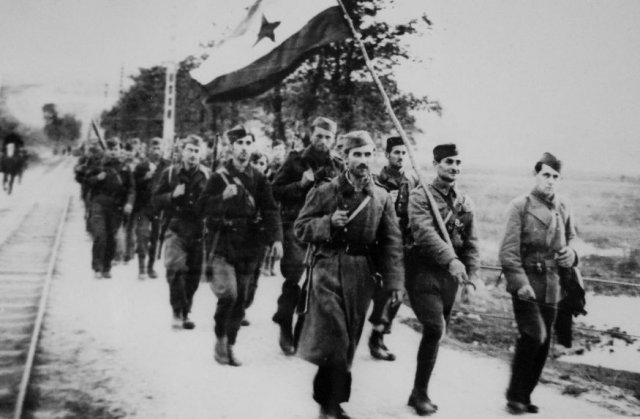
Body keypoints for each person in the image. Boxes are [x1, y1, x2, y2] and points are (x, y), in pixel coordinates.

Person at [294, 131, 404, 419]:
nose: (363, 161)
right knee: (337, 337)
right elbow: (301, 227)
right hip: (328, 266)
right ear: (345, 157)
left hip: (361, 273)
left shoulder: (380, 197)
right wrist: (327, 223)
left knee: (350, 338)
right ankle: (327, 404)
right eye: (357, 154)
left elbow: (392, 241)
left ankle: (333, 401)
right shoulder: (325, 191)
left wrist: (394, 282)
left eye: (368, 154)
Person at [499, 152, 578, 415]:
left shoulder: (564, 206)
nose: (550, 181)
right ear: (536, 175)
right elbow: (508, 252)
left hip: (553, 285)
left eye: (555, 177)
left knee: (543, 344)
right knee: (534, 334)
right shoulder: (519, 206)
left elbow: (572, 240)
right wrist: (520, 282)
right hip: (526, 283)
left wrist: (572, 254)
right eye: (546, 175)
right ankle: (513, 395)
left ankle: (524, 395)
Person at [405, 143, 480, 415]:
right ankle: (420, 393)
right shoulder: (421, 196)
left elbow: (471, 244)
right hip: (423, 274)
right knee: (435, 328)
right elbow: (424, 234)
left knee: (437, 334)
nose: (454, 167)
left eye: (458, 162)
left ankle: (418, 392)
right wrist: (451, 259)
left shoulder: (464, 203)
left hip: (451, 279)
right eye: (448, 162)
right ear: (436, 164)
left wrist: (470, 278)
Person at [199, 126, 283, 366]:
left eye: (248, 143)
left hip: (250, 244)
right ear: (231, 147)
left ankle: (230, 344)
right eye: (240, 144)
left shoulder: (259, 178)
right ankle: (220, 336)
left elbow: (270, 209)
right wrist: (221, 198)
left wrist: (277, 239)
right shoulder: (218, 177)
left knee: (242, 300)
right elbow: (201, 208)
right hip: (224, 242)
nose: (245, 148)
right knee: (229, 294)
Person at [271, 116, 344, 356]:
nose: (322, 141)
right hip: (295, 227)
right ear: (310, 134)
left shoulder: (337, 166)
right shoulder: (295, 160)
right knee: (294, 275)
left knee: (314, 283)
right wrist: (300, 185)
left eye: (327, 137)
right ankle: (284, 321)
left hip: (322, 230)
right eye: (318, 136)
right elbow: (275, 191)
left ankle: (300, 330)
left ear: (334, 139)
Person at [152, 135, 210, 329]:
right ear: (182, 152)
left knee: (193, 276)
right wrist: (171, 195)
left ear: (201, 153)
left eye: (196, 150)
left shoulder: (208, 175)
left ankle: (186, 310)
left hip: (198, 230)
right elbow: (155, 199)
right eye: (189, 150)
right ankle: (177, 310)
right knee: (175, 269)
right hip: (175, 227)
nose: (193, 154)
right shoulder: (169, 174)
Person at [368, 136, 418, 361]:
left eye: (403, 153)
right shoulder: (376, 181)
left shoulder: (411, 182)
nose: (400, 156)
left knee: (396, 290)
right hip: (378, 243)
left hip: (401, 245)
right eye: (396, 152)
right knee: (376, 290)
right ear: (387, 155)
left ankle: (378, 336)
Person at [84, 138, 135, 279]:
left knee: (112, 237)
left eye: (116, 149)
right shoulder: (98, 165)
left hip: (116, 206)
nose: (113, 152)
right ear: (106, 150)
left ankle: (107, 266)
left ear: (120, 151)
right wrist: (97, 178)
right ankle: (97, 267)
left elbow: (131, 188)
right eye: (111, 149)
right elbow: (86, 181)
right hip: (99, 203)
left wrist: (129, 203)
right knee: (100, 236)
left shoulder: (125, 168)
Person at [132, 137, 169, 279]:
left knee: (156, 238)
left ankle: (151, 268)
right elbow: (133, 185)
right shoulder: (141, 166)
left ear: (163, 150)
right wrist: (144, 178)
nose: (156, 151)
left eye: (159, 148)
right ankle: (141, 268)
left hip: (159, 209)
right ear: (149, 150)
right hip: (142, 209)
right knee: (142, 235)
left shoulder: (167, 166)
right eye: (153, 148)